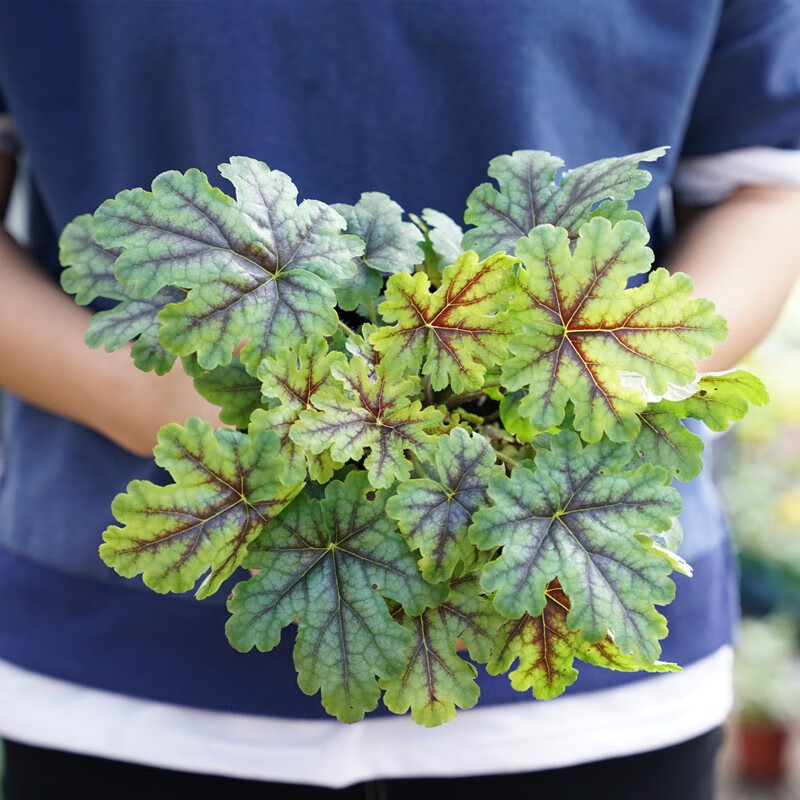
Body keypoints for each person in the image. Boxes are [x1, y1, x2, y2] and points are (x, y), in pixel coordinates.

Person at [0, 1, 799, 797]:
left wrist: (600, 380)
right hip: (122, 680)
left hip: (583, 702)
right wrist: (125, 393)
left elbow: (767, 182)